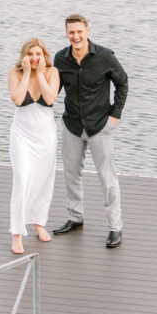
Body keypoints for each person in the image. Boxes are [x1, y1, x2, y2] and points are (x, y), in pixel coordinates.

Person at [52, 14, 128, 248]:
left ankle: (115, 227)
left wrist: (114, 115)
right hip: (72, 125)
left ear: (87, 31)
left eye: (79, 32)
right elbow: (53, 90)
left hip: (99, 126)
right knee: (71, 173)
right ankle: (75, 218)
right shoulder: (60, 59)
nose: (75, 36)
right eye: (71, 32)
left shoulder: (105, 56)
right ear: (67, 33)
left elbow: (122, 83)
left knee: (107, 178)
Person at [8, 38, 60, 255]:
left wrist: (39, 73)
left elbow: (51, 97)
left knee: (42, 181)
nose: (34, 58)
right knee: (22, 179)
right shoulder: (15, 73)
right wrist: (28, 74)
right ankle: (17, 232)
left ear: (44, 55)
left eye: (38, 54)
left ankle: (39, 222)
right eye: (30, 54)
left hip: (45, 135)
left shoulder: (52, 72)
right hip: (22, 134)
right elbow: (18, 100)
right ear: (24, 56)